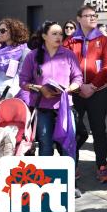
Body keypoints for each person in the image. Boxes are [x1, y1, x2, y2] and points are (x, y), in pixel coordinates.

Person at [64, 5, 107, 183]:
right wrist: (78, 87)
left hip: (98, 92)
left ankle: (102, 166)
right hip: (75, 93)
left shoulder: (104, 40)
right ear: (78, 19)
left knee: (99, 130)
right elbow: (65, 66)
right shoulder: (70, 42)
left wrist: (92, 86)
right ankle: (73, 166)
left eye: (94, 15)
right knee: (75, 132)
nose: (92, 18)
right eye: (87, 15)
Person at [19, 21, 82, 157]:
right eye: (54, 34)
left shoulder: (69, 55)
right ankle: (45, 177)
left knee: (68, 144)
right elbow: (23, 81)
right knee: (45, 145)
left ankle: (70, 175)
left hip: (65, 107)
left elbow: (78, 78)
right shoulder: (32, 56)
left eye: (60, 33)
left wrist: (70, 88)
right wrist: (39, 88)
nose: (59, 36)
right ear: (44, 36)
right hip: (42, 108)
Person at [0, 18, 30, 106]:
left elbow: (21, 78)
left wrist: (7, 96)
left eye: (2, 31)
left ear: (14, 32)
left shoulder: (25, 51)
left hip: (17, 95)